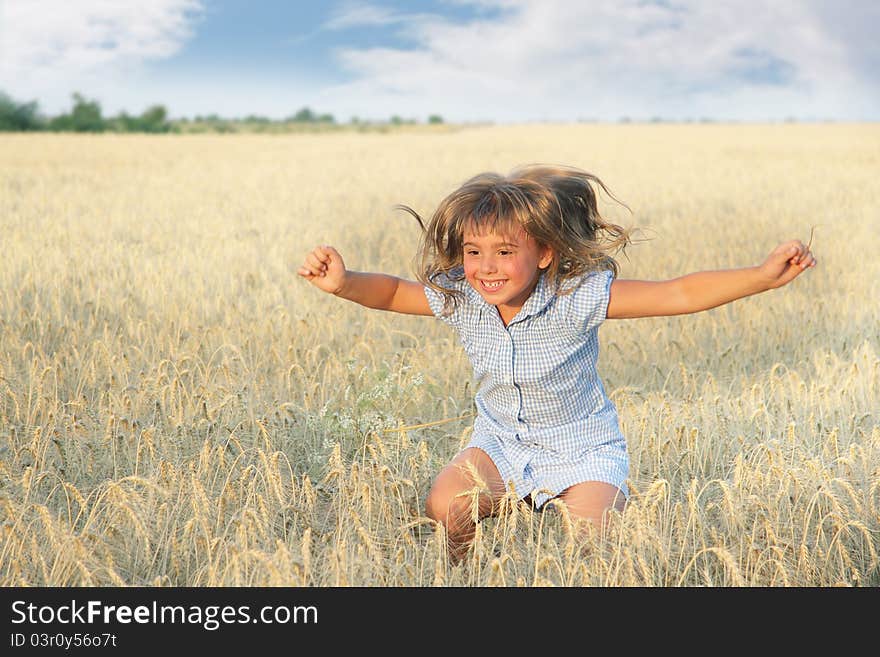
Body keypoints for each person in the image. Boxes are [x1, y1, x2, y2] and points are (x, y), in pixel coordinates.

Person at [297, 164, 816, 562]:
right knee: (446, 506)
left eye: (504, 252)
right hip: (500, 442)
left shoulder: (577, 296)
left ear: (544, 253)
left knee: (592, 545)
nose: (486, 267)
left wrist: (761, 276)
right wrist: (342, 283)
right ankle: (464, 573)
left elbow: (677, 293)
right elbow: (390, 292)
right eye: (473, 252)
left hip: (581, 446)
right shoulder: (461, 296)